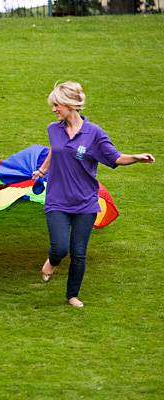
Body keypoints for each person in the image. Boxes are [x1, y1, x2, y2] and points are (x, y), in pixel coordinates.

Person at [33, 81, 155, 308]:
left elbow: (116, 158)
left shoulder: (94, 134)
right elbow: (55, 149)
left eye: (57, 105)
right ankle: (52, 261)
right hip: (57, 199)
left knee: (78, 253)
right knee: (60, 247)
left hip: (85, 202)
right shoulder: (53, 129)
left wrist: (136, 158)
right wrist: (42, 170)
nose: (53, 109)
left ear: (70, 105)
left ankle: (72, 295)